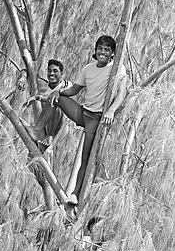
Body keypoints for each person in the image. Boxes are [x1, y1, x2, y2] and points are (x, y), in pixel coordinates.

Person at [21, 36, 127, 205]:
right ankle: (38, 129)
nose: (103, 52)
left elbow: (122, 93)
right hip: (83, 111)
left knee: (86, 158)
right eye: (100, 48)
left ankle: (75, 194)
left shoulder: (117, 69)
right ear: (95, 50)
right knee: (57, 96)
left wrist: (111, 111)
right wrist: (49, 94)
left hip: (97, 118)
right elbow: (74, 90)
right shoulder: (88, 69)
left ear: (113, 53)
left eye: (107, 49)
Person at [25, 59, 72, 149]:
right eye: (49, 71)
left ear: (61, 73)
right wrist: (22, 78)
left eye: (55, 71)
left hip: (58, 127)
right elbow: (27, 72)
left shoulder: (65, 84)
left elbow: (59, 98)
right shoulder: (42, 85)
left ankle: (50, 135)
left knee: (57, 102)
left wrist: (39, 98)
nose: (51, 73)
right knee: (38, 154)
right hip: (45, 124)